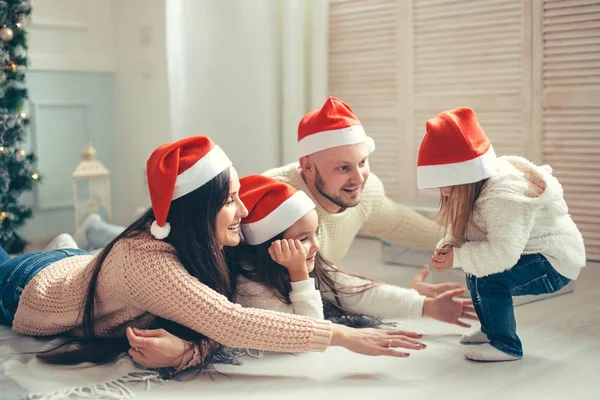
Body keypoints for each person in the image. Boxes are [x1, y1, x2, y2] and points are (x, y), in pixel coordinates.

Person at [0, 136, 427, 376]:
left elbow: (212, 321)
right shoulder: (149, 264)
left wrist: (186, 351)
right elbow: (227, 320)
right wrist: (342, 336)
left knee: (91, 259)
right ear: (198, 212)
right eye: (230, 202)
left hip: (83, 268)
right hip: (28, 285)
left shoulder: (208, 249)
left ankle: (73, 247)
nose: (243, 212)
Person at [72, 97, 462, 299]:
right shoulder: (281, 200)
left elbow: (417, 229)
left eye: (362, 162)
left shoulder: (367, 190)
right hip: (191, 248)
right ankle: (92, 239)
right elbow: (326, 283)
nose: (358, 177)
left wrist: (469, 232)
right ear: (307, 167)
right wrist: (399, 296)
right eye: (343, 168)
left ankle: (96, 228)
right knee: (129, 253)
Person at [418, 107, 586, 362]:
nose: (442, 192)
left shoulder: (501, 198)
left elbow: (502, 256)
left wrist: (459, 256)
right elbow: (465, 231)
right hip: (528, 252)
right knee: (475, 271)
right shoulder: (473, 190)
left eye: (444, 183)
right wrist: (449, 246)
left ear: (462, 176)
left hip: (556, 261)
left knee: (491, 278)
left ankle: (506, 345)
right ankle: (491, 329)